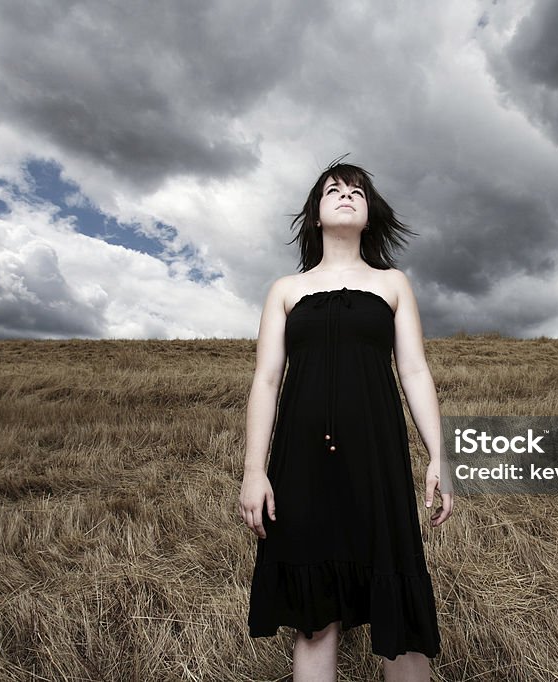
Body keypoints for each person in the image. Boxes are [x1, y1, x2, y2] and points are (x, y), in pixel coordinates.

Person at [239, 157, 454, 681]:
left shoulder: (393, 284)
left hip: (375, 460)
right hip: (302, 466)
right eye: (333, 189)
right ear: (315, 214)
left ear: (369, 212)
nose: (346, 195)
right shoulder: (285, 291)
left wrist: (439, 457)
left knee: (397, 598)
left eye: (357, 191)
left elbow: (416, 371)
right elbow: (266, 381)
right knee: (314, 621)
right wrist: (254, 469)